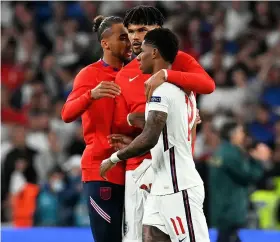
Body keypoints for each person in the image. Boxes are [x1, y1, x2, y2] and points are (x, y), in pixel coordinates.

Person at [110, 5, 215, 242]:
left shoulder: (178, 61)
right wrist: (133, 126)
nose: (136, 37)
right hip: (139, 167)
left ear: (158, 30)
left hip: (176, 170)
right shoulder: (124, 75)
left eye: (143, 30)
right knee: (140, 238)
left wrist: (167, 75)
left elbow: (207, 85)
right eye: (131, 31)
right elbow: (124, 121)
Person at [61, 15, 132, 242]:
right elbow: (67, 113)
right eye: (123, 38)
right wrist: (90, 95)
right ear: (105, 43)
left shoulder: (136, 74)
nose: (129, 43)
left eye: (130, 38)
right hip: (102, 171)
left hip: (134, 173)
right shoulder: (89, 74)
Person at [208, 122, 271, 242]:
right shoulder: (231, 154)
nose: (243, 135)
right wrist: (258, 160)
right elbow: (249, 176)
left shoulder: (222, 151)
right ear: (233, 135)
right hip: (230, 210)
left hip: (222, 208)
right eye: (241, 132)